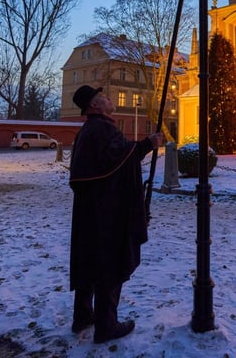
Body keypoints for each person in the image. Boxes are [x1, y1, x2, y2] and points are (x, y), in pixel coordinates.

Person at [68, 84, 163, 344]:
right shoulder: (102, 129)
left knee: (89, 259)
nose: (109, 98)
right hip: (106, 212)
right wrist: (148, 144)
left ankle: (83, 316)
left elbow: (109, 163)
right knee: (109, 262)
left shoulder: (89, 130)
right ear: (94, 105)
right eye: (103, 97)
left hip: (91, 211)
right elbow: (120, 157)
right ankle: (106, 325)